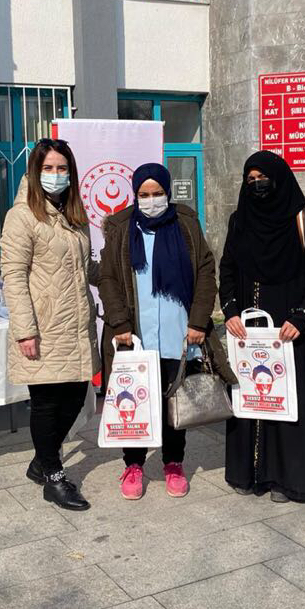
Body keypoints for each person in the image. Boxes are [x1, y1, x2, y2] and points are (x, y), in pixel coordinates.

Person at [98, 163, 237, 500]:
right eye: (144, 195)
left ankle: (173, 462)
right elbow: (108, 278)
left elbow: (205, 271)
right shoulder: (121, 227)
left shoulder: (184, 222)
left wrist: (198, 320)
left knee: (177, 399)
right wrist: (119, 323)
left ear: (167, 191)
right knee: (133, 400)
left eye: (157, 193)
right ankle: (133, 464)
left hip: (179, 332)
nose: (151, 200)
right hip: (136, 334)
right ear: (135, 195)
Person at [219, 151, 305, 502]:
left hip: (290, 331)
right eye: (251, 179)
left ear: (280, 178)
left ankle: (288, 479)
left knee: (287, 399)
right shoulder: (239, 220)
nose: (257, 184)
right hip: (248, 330)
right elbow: (228, 268)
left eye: (264, 178)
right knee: (252, 395)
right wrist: (230, 311)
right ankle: (250, 472)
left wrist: (302, 316)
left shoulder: (304, 219)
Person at [0, 138, 99, 511]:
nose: (55, 175)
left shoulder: (74, 215)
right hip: (42, 327)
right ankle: (54, 478)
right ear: (35, 171)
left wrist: (119, 274)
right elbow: (13, 275)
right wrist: (25, 330)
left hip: (76, 326)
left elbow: (86, 268)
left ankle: (42, 460)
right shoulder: (22, 216)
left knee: (74, 398)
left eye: (61, 168)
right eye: (48, 168)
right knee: (46, 404)